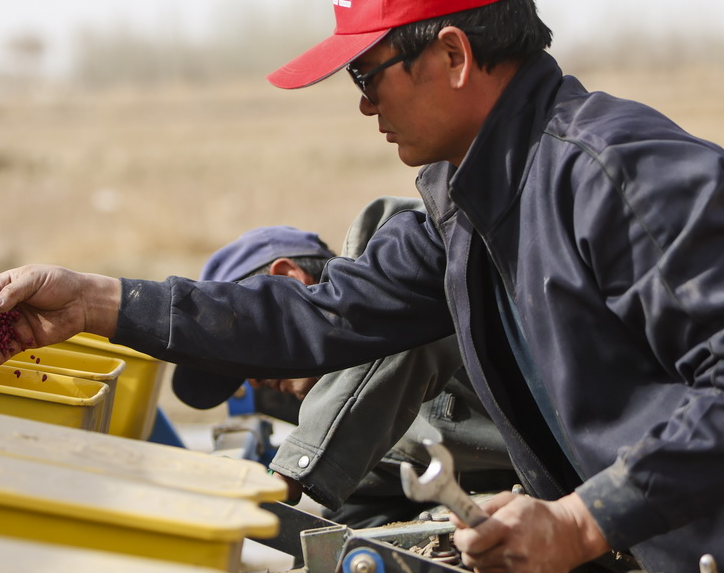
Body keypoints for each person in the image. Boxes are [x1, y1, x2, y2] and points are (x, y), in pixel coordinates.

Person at [0, 0, 724, 573]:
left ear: (453, 53)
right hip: (666, 559)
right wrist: (97, 300)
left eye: (369, 73)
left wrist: (580, 521)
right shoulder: (464, 199)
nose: (363, 104)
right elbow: (315, 313)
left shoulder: (622, 174)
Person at [173, 201, 516, 529]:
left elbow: (398, 336)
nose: (253, 382)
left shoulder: (417, 298)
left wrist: (289, 474)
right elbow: (360, 520)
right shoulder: (369, 433)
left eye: (243, 348)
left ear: (290, 279)